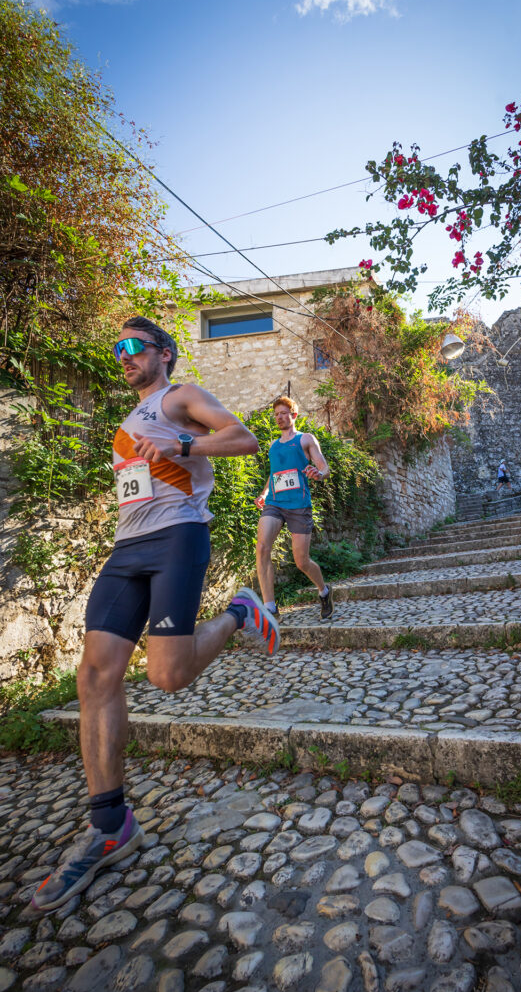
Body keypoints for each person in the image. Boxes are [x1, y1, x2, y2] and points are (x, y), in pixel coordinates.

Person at [32, 316, 280, 913]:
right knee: (94, 675)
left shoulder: (181, 396)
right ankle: (110, 823)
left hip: (178, 537)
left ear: (163, 353)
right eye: (116, 349)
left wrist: (185, 443)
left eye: (133, 347)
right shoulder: (126, 422)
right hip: (127, 547)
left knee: (167, 676)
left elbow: (245, 439)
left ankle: (241, 612)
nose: (122, 356)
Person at [255, 396, 333, 620]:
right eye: (276, 414)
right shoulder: (273, 445)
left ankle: (324, 591)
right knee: (262, 548)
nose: (279, 417)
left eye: (283, 413)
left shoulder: (305, 439)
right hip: (275, 504)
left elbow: (324, 467)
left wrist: (319, 474)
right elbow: (274, 474)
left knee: (301, 561)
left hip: (299, 506)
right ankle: (270, 609)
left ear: (293, 415)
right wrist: (264, 493)